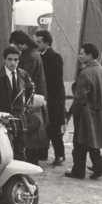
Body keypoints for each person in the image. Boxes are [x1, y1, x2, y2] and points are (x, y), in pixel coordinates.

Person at [65, 43, 102, 180]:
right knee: (93, 141)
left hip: (86, 113)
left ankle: (79, 171)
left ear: (90, 55)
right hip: (100, 112)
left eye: (83, 53)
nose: (80, 55)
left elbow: (80, 97)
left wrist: (71, 113)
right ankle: (99, 167)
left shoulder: (85, 73)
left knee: (79, 142)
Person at [35, 30, 66, 166]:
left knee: (54, 128)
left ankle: (60, 154)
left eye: (39, 42)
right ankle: (43, 153)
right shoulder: (38, 56)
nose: (37, 44)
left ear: (47, 43)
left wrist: (49, 98)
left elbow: (55, 81)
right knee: (43, 127)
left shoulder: (55, 57)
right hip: (43, 96)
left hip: (53, 98)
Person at [9, 31, 47, 101]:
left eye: (15, 44)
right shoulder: (30, 53)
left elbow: (24, 77)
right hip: (34, 94)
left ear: (21, 44)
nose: (15, 47)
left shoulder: (30, 57)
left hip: (32, 96)